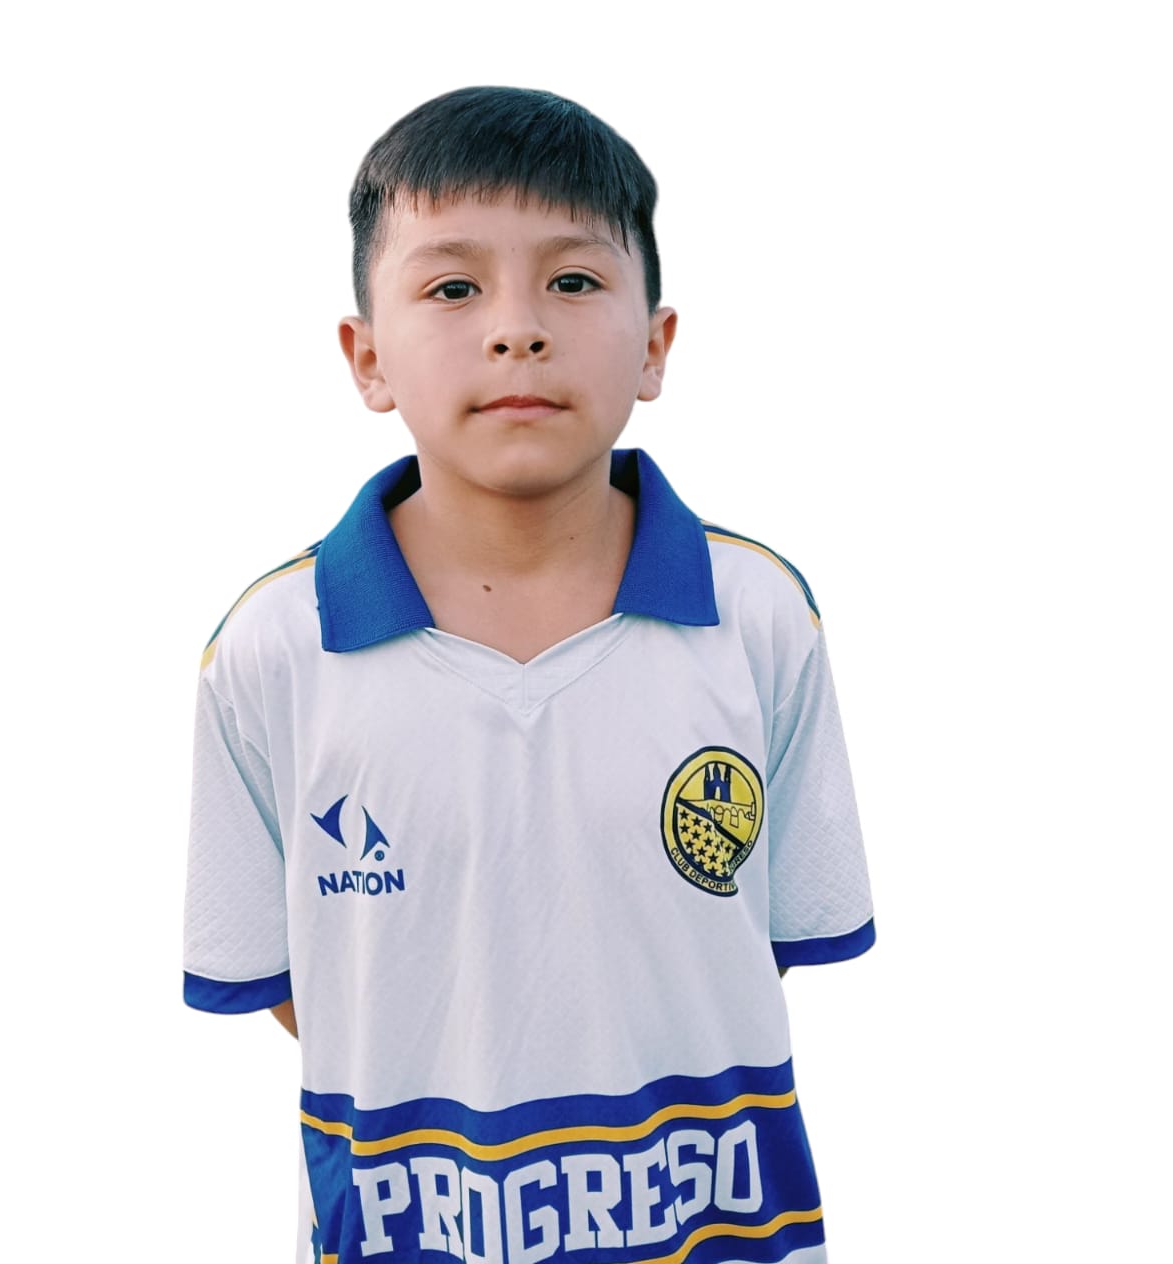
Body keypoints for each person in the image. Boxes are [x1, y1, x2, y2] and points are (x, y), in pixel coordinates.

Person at [183, 85, 875, 1264]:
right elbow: (305, 981)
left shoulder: (759, 617)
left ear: (655, 345)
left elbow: (754, 937)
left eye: (574, 279)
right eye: (454, 288)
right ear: (366, 357)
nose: (517, 328)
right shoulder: (274, 648)